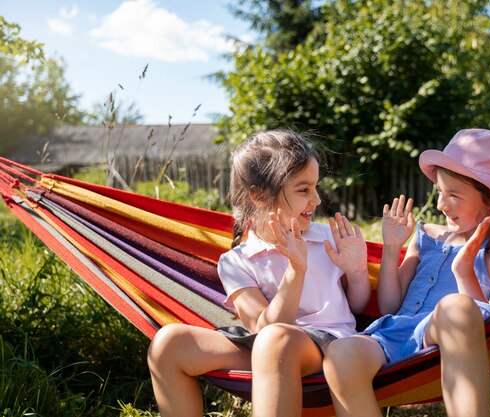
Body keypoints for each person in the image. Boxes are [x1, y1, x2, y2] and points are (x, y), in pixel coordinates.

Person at [147, 129, 371, 417]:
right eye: (303, 190)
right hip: (266, 341)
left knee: (277, 341)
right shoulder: (235, 262)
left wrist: (357, 272)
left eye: (315, 187)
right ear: (260, 196)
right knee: (169, 344)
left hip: (331, 341)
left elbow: (359, 306)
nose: (316, 199)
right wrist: (296, 270)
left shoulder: (327, 239)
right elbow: (262, 329)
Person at [323, 128, 490, 417]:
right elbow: (389, 306)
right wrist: (392, 247)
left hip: (447, 331)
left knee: (456, 306)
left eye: (454, 195)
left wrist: (464, 272)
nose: (440, 205)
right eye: (439, 192)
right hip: (394, 335)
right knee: (341, 353)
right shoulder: (426, 235)